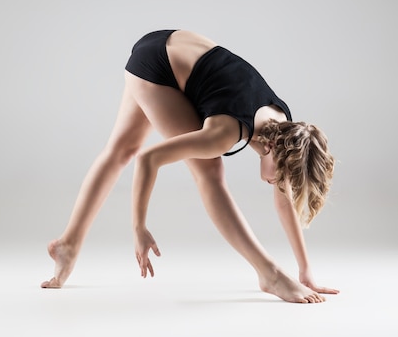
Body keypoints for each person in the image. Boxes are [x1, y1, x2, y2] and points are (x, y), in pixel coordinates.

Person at [42, 29, 339, 303]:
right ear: (273, 150)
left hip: (174, 45)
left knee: (121, 149)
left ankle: (67, 246)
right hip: (158, 65)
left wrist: (305, 269)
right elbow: (150, 159)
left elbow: (285, 202)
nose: (279, 188)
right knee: (209, 171)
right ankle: (269, 274)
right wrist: (139, 227)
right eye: (281, 181)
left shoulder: (288, 129)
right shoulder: (224, 132)